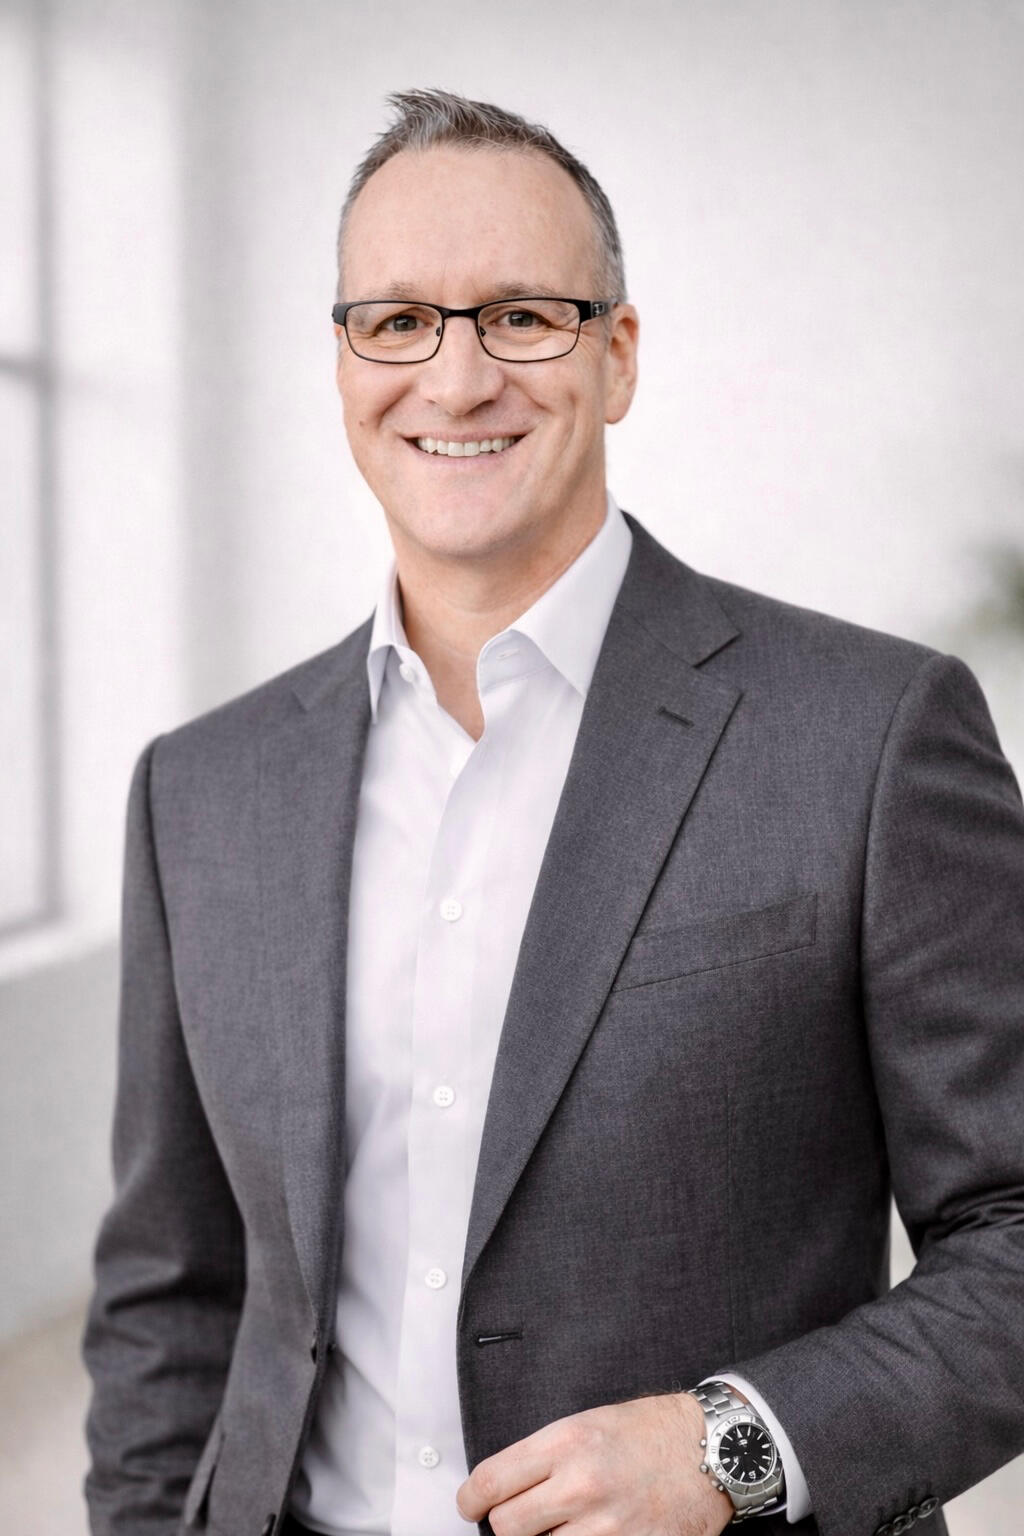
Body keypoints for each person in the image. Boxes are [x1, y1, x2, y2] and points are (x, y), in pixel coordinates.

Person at [82, 88, 1024, 1536]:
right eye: (399, 321)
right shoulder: (201, 790)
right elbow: (172, 1292)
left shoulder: (872, 736)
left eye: (521, 316)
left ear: (618, 354)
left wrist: (732, 1448)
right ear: (343, 362)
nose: (456, 380)